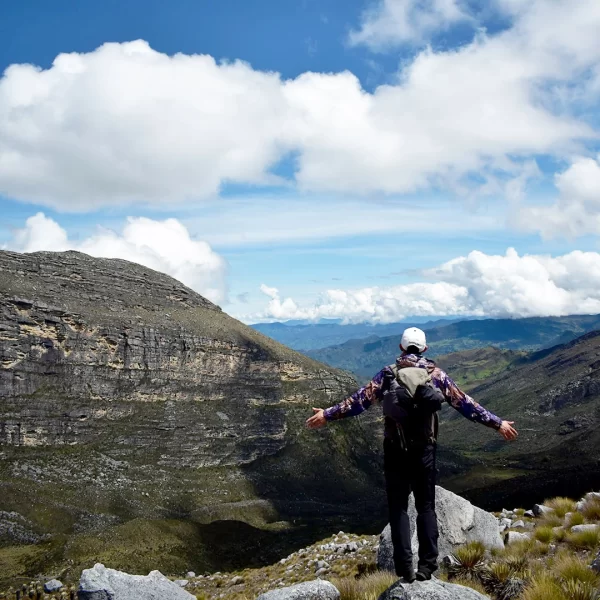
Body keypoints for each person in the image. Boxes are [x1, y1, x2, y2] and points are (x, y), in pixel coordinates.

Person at [306, 327, 518, 583]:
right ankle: (427, 567)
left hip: (395, 449)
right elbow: (464, 403)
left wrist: (327, 414)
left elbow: (358, 401)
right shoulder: (436, 375)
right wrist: (497, 423)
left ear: (401, 348)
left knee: (398, 509)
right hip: (425, 451)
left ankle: (405, 568)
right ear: (425, 349)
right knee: (426, 507)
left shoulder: (387, 374)